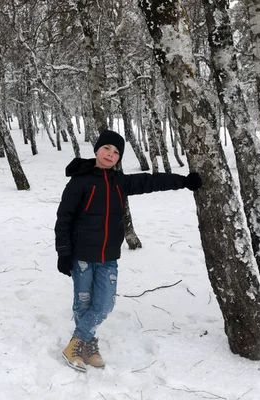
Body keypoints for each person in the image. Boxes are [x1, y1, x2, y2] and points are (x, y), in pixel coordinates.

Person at [54, 129, 202, 372]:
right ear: (96, 150)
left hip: (108, 258)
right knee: (83, 304)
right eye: (106, 149)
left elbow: (150, 181)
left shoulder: (119, 182)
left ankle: (75, 343)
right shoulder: (80, 181)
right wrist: (63, 253)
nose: (111, 154)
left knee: (104, 305)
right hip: (81, 256)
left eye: (116, 152)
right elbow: (64, 218)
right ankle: (88, 348)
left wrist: (183, 181)